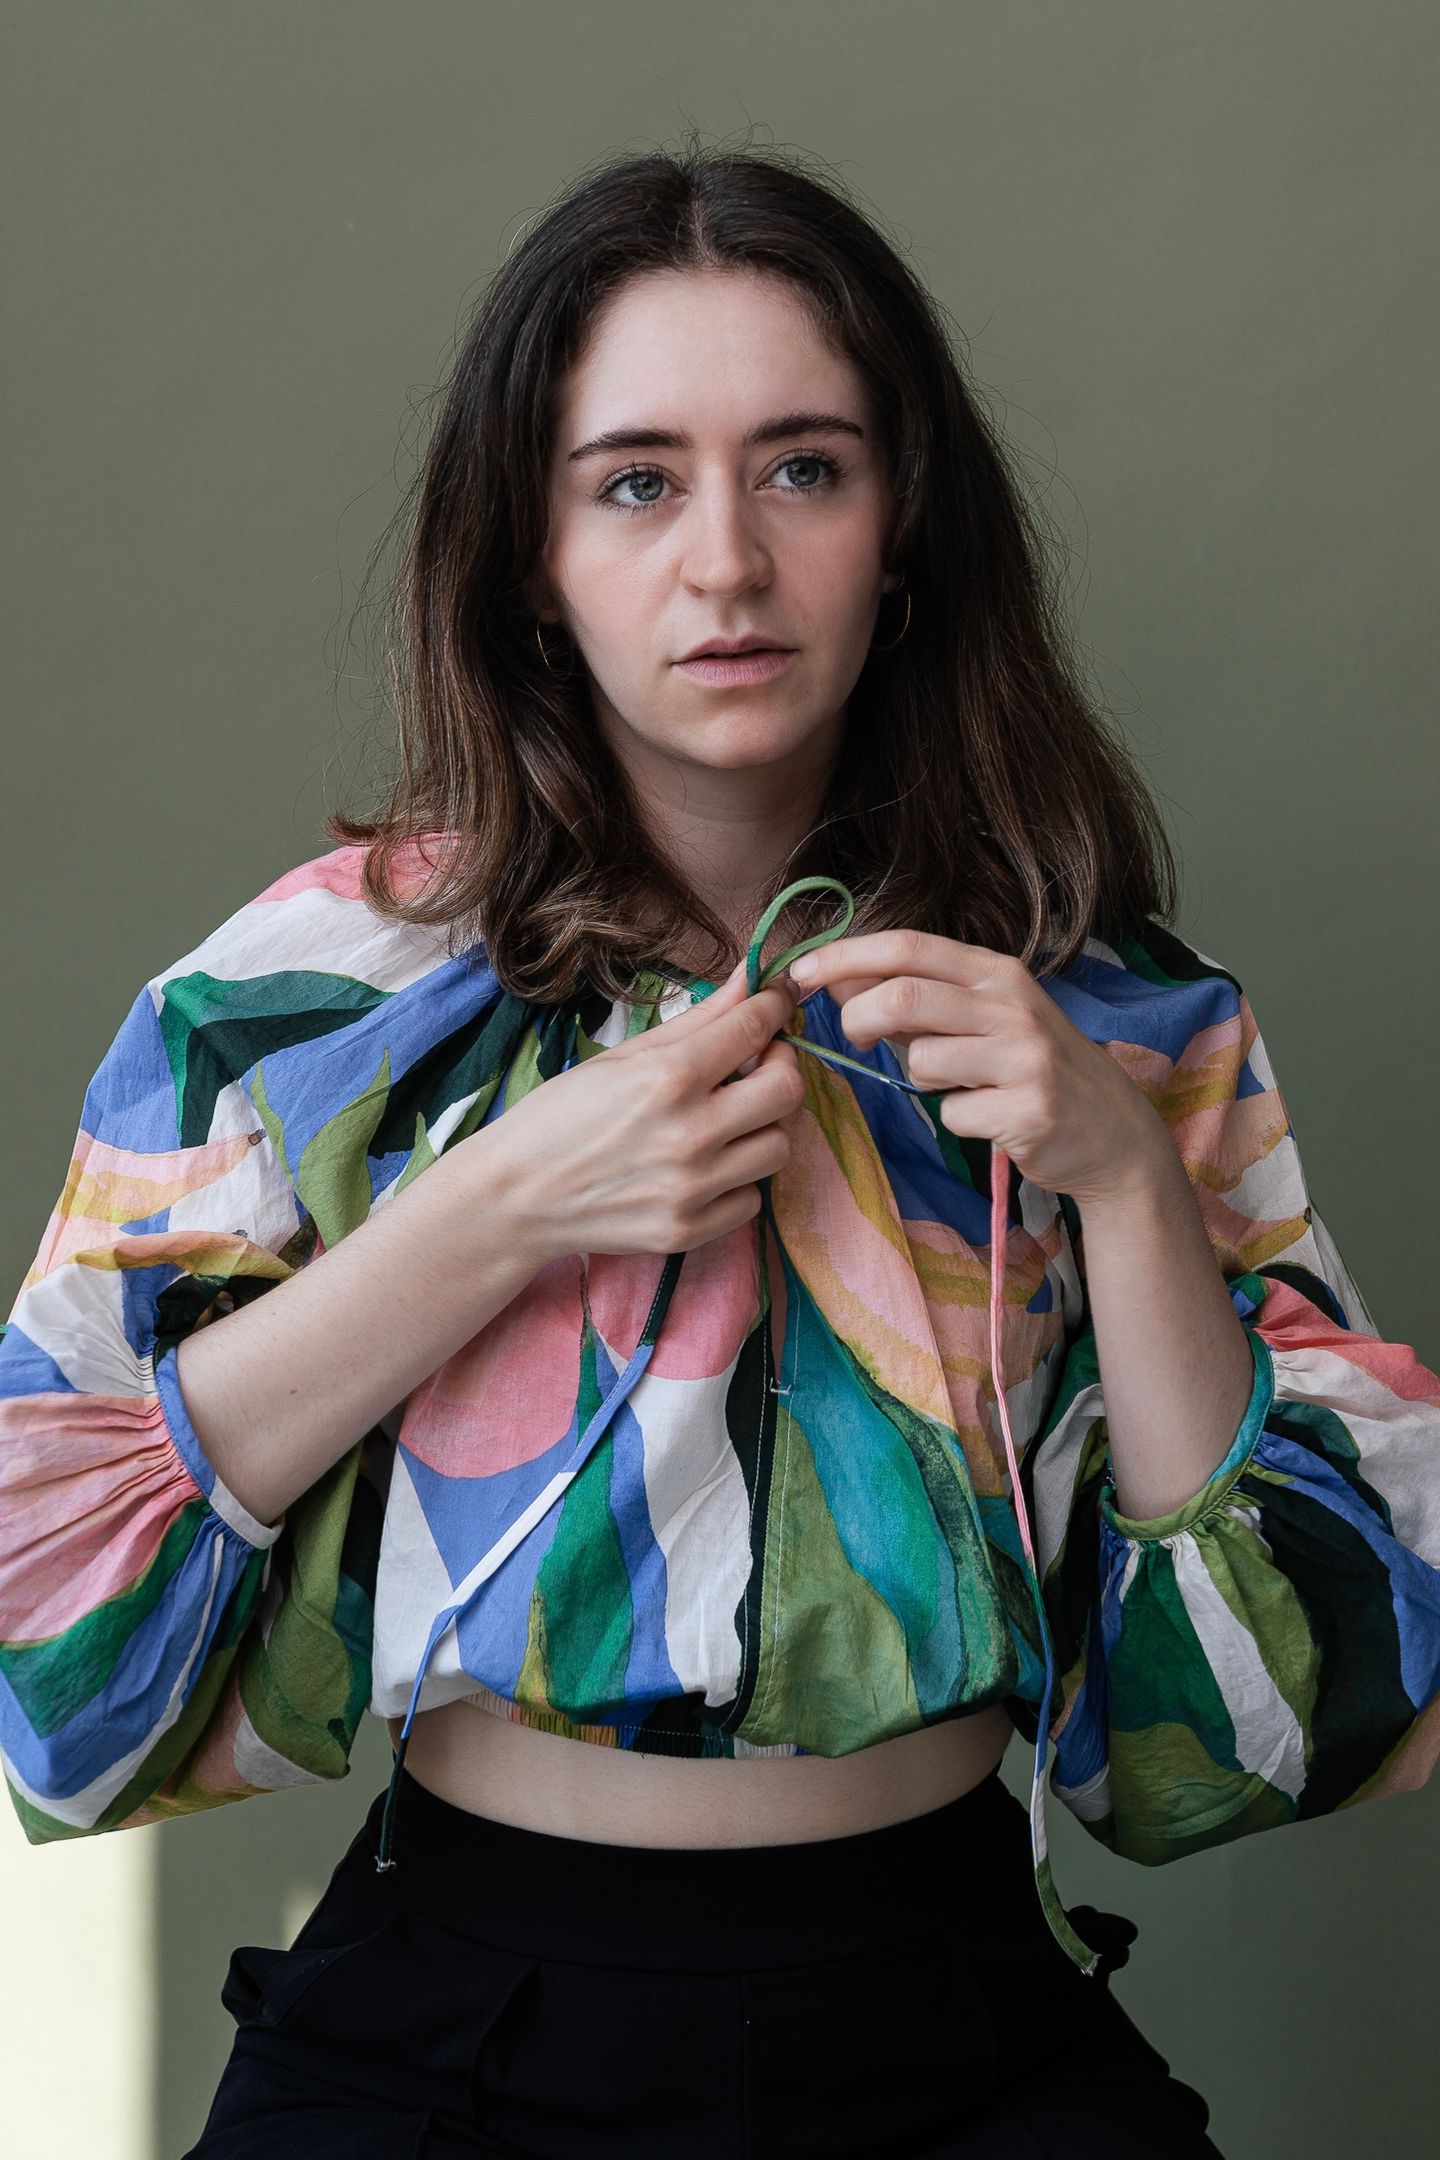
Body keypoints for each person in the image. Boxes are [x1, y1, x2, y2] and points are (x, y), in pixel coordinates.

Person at [3, 139, 1438, 2160]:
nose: (728, 566)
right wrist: (500, 1206)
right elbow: (44, 1641)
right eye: (635, 482)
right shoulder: (301, 1003)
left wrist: (1124, 1178)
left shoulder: (1110, 1019)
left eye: (804, 469)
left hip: (958, 2009)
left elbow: (1287, 1712)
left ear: (902, 529)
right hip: (453, 2019)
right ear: (530, 556)